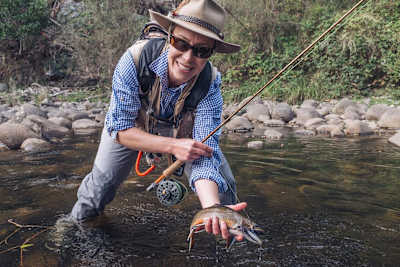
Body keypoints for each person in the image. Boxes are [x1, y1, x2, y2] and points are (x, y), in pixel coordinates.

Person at [70, 0, 247, 243]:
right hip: (133, 129)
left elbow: (206, 152)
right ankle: (71, 232)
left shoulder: (211, 84)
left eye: (201, 51)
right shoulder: (133, 60)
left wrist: (212, 210)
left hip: (183, 134)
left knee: (225, 194)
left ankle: (227, 241)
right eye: (181, 43)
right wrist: (173, 146)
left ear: (211, 53)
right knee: (98, 190)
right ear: (169, 36)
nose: (188, 57)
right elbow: (120, 129)